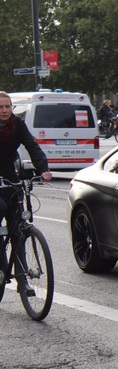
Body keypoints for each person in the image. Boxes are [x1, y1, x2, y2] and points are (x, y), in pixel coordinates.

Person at [0, 91, 53, 296]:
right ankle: (2, 265)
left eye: (7, 106)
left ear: (12, 107)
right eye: (0, 107)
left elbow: (32, 146)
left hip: (10, 178)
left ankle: (23, 282)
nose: (4, 110)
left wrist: (43, 169)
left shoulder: (18, 125)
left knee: (19, 230)